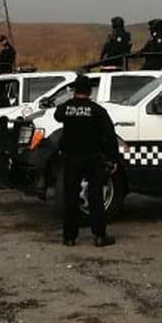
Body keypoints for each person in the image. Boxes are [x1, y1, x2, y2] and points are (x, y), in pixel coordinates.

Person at [54, 75, 119, 247]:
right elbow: (110, 136)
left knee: (70, 198)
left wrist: (71, 102)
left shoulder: (66, 108)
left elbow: (57, 115)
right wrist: (113, 158)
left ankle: (69, 237)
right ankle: (99, 236)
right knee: (96, 197)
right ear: (90, 91)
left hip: (71, 159)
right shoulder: (97, 110)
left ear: (75, 90)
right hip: (92, 158)